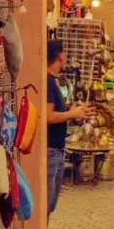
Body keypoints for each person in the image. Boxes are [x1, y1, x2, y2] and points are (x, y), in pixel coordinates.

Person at [46, 40, 95, 215]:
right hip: (50, 149)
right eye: (65, 53)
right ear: (60, 55)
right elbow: (48, 116)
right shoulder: (48, 82)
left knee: (50, 204)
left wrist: (73, 111)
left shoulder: (53, 81)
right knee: (47, 204)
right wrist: (72, 114)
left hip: (57, 148)